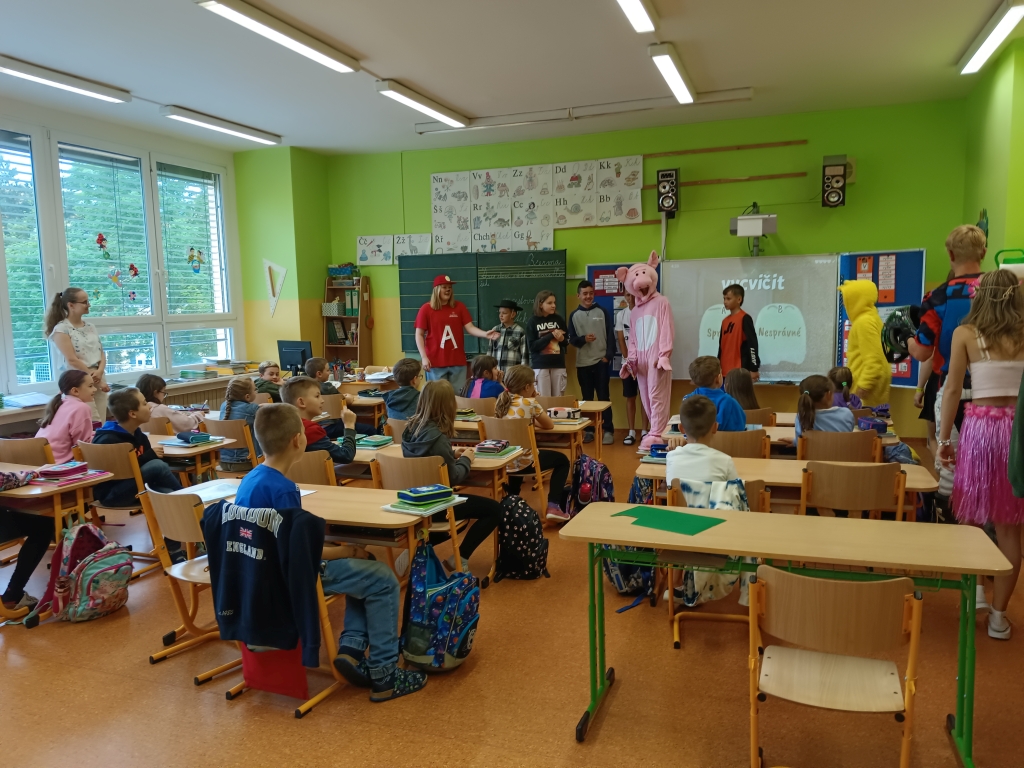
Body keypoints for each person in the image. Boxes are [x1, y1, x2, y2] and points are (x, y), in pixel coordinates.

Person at [232, 403, 426, 701]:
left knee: (364, 567)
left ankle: (352, 648)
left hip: (261, 575)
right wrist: (345, 550)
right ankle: (385, 674)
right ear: (298, 440)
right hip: (288, 581)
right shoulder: (283, 489)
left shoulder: (252, 478)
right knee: (383, 578)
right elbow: (299, 554)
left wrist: (343, 551)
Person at [938, 269, 1024, 639]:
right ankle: (999, 618)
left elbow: (952, 389)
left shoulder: (965, 334)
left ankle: (974, 595)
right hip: (1018, 433)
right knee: (1010, 528)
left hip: (981, 431)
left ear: (979, 295)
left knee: (971, 519)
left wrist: (944, 439)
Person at [909, 225, 986, 522]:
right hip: (996, 394)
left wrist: (907, 341)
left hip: (952, 389)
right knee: (988, 469)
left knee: (949, 468)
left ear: (951, 255)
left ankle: (951, 529)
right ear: (983, 253)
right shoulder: (1002, 290)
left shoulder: (938, 297)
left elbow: (922, 352)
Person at [401, 380, 502, 572]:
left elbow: (426, 456)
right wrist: (466, 459)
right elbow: (454, 477)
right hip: (436, 505)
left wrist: (452, 454)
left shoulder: (410, 430)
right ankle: (459, 558)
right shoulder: (438, 439)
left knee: (466, 513)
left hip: (412, 500)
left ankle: (417, 545)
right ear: (449, 406)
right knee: (494, 510)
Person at [495, 365, 573, 522]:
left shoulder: (501, 401)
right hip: (524, 462)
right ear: (527, 387)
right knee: (562, 461)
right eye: (534, 384)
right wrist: (534, 404)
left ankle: (511, 502)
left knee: (518, 453)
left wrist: (529, 421)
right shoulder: (529, 403)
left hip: (505, 462)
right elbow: (549, 425)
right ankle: (554, 506)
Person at [92, 388, 184, 505]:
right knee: (157, 465)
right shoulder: (108, 440)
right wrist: (148, 456)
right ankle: (186, 495)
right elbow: (121, 472)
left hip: (137, 486)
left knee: (169, 495)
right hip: (113, 493)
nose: (149, 407)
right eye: (144, 404)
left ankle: (186, 500)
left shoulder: (139, 435)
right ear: (132, 414)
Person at [414, 275, 499, 393]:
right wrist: (424, 357)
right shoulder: (426, 309)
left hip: (457, 362)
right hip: (435, 362)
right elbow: (419, 334)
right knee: (437, 396)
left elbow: (470, 327)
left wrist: (485, 334)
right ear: (436, 289)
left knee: (459, 396)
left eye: (450, 287)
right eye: (444, 287)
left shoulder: (459, 307)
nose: (448, 290)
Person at [45, 287, 111, 422]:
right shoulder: (61, 329)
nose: (88, 305)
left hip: (97, 376)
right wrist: (96, 379)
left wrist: (100, 371)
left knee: (101, 421)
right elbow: (72, 360)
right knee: (90, 421)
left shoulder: (90, 326)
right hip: (80, 380)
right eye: (84, 302)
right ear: (71, 305)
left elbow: (101, 352)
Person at [569, 280, 615, 445]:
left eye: (591, 293)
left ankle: (608, 430)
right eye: (585, 294)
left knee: (603, 397)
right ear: (578, 296)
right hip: (583, 364)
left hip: (600, 362)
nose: (588, 296)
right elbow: (572, 339)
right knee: (587, 399)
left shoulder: (602, 311)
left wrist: (607, 357)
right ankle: (589, 430)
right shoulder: (574, 315)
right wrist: (583, 339)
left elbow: (610, 335)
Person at [279, 376, 357, 470]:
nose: (322, 400)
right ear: (301, 402)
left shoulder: (280, 425)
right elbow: (346, 456)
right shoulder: (311, 429)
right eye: (317, 396)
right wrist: (349, 426)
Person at [838, 280, 891, 406]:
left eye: (847, 299)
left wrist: (863, 387)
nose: (844, 304)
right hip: (868, 394)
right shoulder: (872, 319)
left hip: (864, 396)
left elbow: (874, 361)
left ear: (856, 300)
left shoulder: (864, 322)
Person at [666, 395, 738, 485]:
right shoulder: (726, 462)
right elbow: (737, 492)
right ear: (715, 427)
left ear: (681, 428)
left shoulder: (671, 457)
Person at [36, 369, 96, 464]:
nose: (95, 389)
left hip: (40, 461)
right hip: (58, 465)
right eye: (90, 386)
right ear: (75, 391)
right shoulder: (81, 407)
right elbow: (83, 444)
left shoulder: (60, 403)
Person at [304, 357, 373, 437]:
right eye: (328, 370)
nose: (330, 372)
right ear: (319, 374)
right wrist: (350, 396)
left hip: (315, 426)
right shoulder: (328, 387)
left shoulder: (305, 388)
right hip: (332, 427)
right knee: (370, 429)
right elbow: (347, 400)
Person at [615, 293, 647, 446]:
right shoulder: (621, 315)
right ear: (624, 296)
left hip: (644, 363)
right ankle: (631, 431)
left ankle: (645, 431)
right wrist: (629, 360)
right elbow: (621, 339)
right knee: (630, 397)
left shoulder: (645, 312)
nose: (631, 298)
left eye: (633, 295)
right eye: (628, 295)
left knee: (645, 398)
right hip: (627, 364)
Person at [684, 357, 746, 432]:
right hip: (728, 440)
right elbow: (741, 428)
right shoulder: (731, 402)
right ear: (718, 378)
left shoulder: (688, 401)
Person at [527, 290, 568, 397]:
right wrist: (551, 335)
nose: (553, 305)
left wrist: (562, 339)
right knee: (544, 399)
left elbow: (566, 342)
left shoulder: (559, 319)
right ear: (540, 304)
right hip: (540, 366)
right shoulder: (533, 321)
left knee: (558, 399)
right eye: (549, 303)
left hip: (558, 364)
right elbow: (532, 346)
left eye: (554, 302)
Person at [217, 376, 263, 472]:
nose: (256, 391)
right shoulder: (253, 409)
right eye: (255, 390)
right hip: (246, 462)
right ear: (247, 396)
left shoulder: (224, 406)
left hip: (222, 461)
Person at [717, 284, 760, 380]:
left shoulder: (745, 318)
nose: (725, 302)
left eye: (728, 299)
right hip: (724, 371)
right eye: (724, 298)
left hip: (739, 371)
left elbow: (752, 344)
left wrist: (754, 368)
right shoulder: (724, 321)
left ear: (739, 299)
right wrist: (718, 367)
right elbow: (721, 347)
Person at [137, 374, 205, 433]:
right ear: (155, 393)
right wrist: (198, 415)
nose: (164, 395)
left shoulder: (138, 410)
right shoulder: (160, 409)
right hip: (170, 442)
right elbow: (187, 423)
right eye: (163, 392)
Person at [489, 300, 528, 373]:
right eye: (500, 312)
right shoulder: (495, 330)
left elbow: (524, 355)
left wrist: (523, 373)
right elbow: (489, 352)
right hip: (496, 373)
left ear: (513, 314)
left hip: (512, 373)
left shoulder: (520, 331)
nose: (501, 315)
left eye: (504, 313)